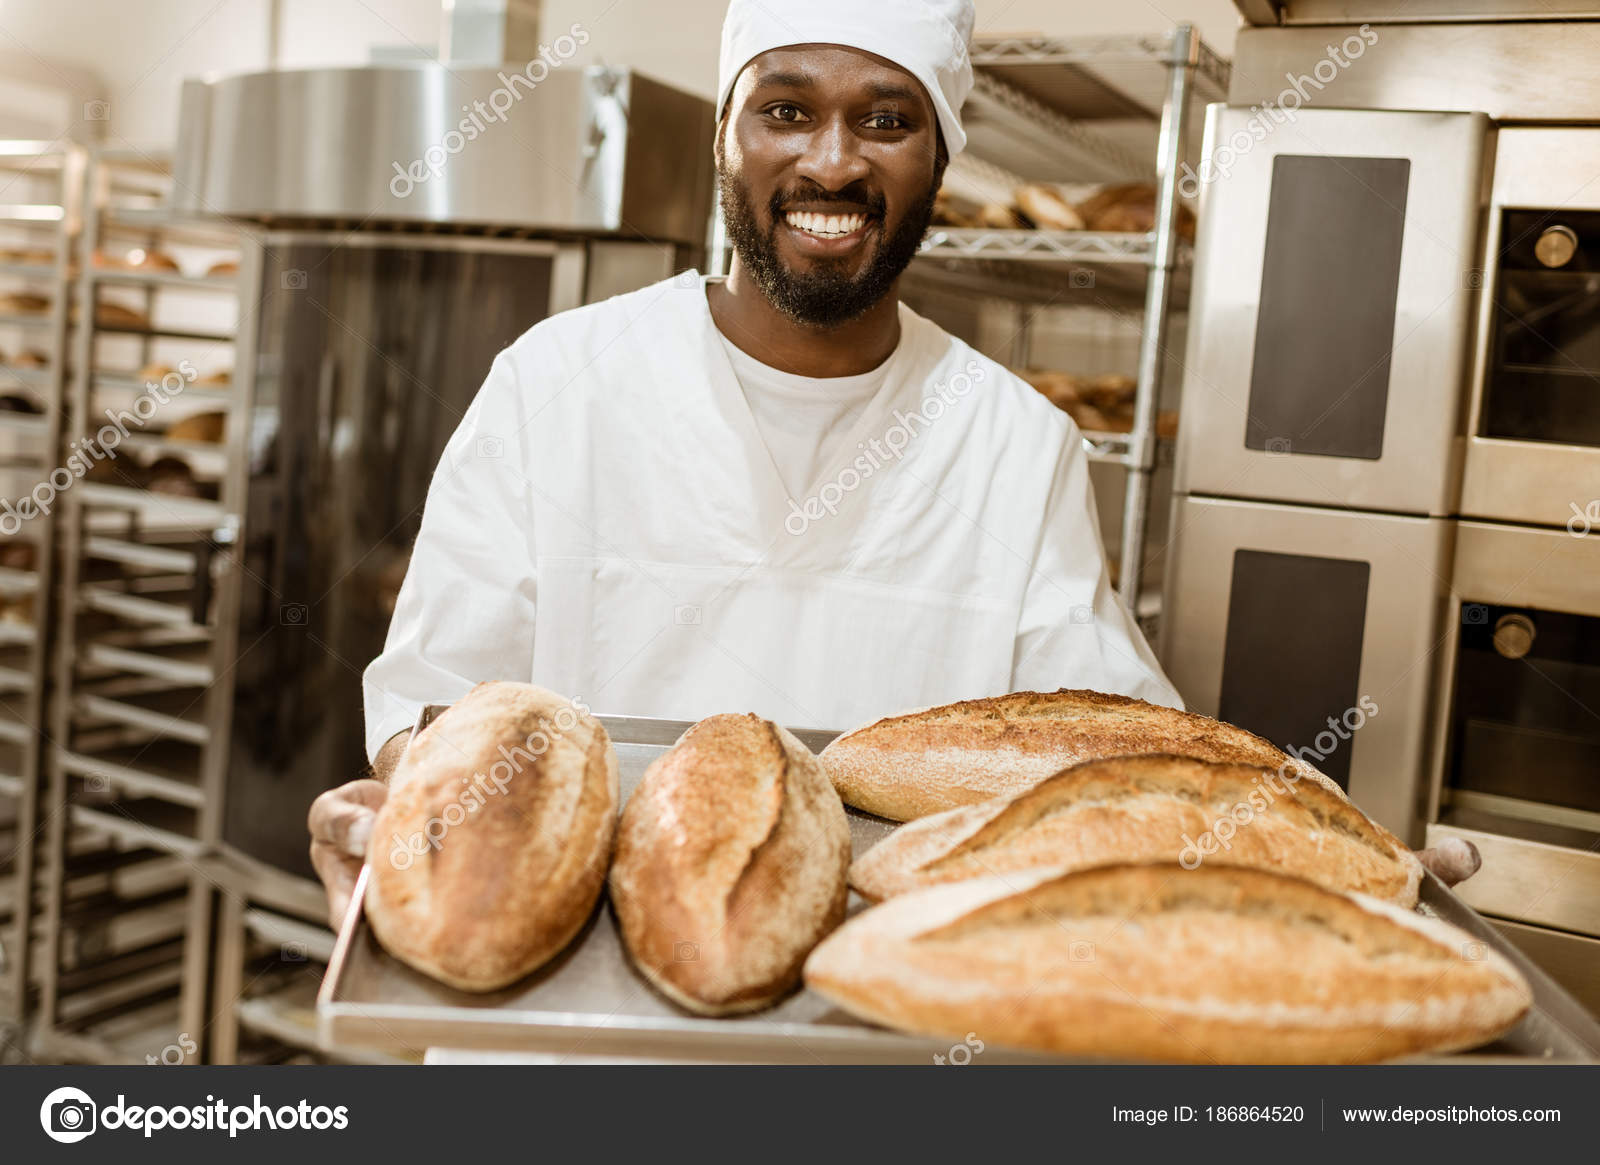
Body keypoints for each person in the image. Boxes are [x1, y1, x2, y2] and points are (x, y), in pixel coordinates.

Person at [308, 0, 1182, 925]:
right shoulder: (557, 383)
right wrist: (415, 816)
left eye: (887, 120)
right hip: (563, 1007)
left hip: (872, 1012)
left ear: (942, 157)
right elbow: (438, 702)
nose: (833, 162)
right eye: (785, 110)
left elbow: (1112, 757)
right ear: (722, 134)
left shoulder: (1014, 442)